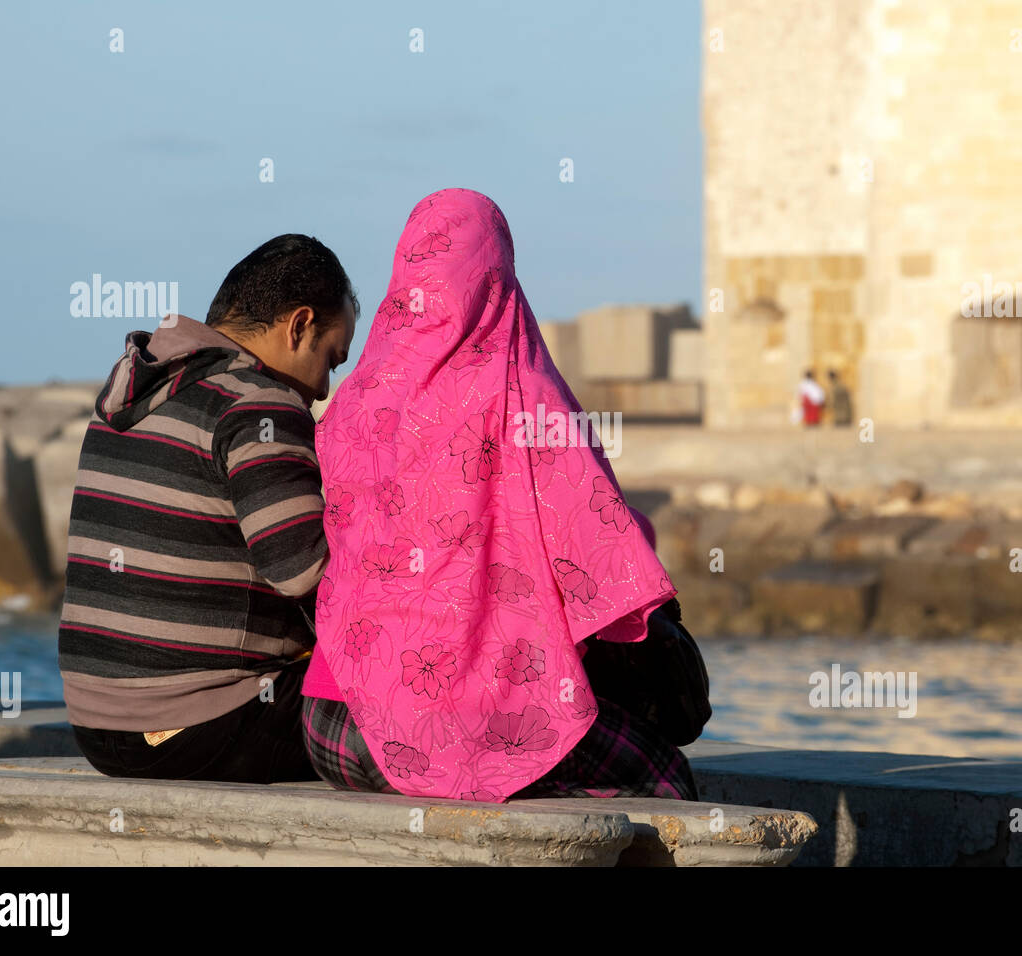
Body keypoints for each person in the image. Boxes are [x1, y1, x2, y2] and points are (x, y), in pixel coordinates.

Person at [300, 187, 699, 803]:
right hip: (437, 729)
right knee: (662, 777)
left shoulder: (355, 399)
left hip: (330, 724)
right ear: (497, 272)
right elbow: (600, 550)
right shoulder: (526, 397)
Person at [59, 234, 358, 783]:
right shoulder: (258, 402)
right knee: (415, 707)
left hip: (98, 727)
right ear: (298, 326)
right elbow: (307, 575)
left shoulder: (129, 396)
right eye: (331, 358)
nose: (323, 389)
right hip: (209, 724)